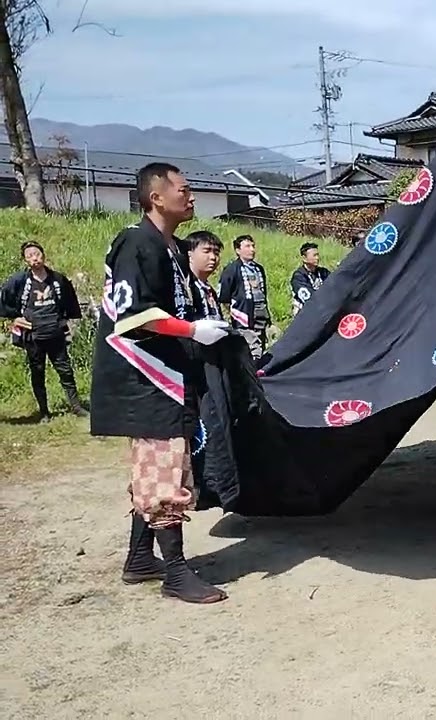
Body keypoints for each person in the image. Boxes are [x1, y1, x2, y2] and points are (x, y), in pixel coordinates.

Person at [90, 162, 232, 604]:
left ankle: (138, 558)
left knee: (154, 470)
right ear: (157, 196)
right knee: (163, 470)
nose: (191, 198)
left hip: (169, 372)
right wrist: (192, 332)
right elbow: (135, 318)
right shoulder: (137, 242)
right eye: (184, 190)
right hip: (145, 376)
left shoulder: (171, 247)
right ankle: (174, 572)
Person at [0, 242, 86, 420]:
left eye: (37, 254)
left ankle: (76, 407)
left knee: (66, 371)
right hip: (33, 335)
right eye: (30, 255)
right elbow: (4, 298)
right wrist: (14, 317)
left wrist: (65, 318)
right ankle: (44, 411)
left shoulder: (58, 279)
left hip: (55, 332)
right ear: (25, 260)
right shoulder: (19, 281)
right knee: (37, 373)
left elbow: (70, 301)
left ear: (43, 255)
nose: (34, 258)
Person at [217, 234, 271, 360]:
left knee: (261, 341)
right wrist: (231, 312)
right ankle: (253, 371)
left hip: (260, 310)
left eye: (253, 246)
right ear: (238, 250)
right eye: (247, 246)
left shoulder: (258, 268)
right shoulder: (231, 269)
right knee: (251, 345)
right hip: (243, 313)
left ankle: (259, 368)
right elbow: (224, 295)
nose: (252, 249)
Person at [187, 231, 224, 320]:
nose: (213, 257)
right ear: (189, 254)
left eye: (216, 253)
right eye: (206, 251)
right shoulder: (185, 287)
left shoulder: (210, 290)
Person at [289, 242, 330, 315]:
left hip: (324, 309)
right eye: (314, 255)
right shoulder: (298, 276)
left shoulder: (324, 272)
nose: (317, 258)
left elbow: (334, 286)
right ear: (304, 258)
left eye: (317, 255)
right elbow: (307, 297)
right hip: (304, 312)